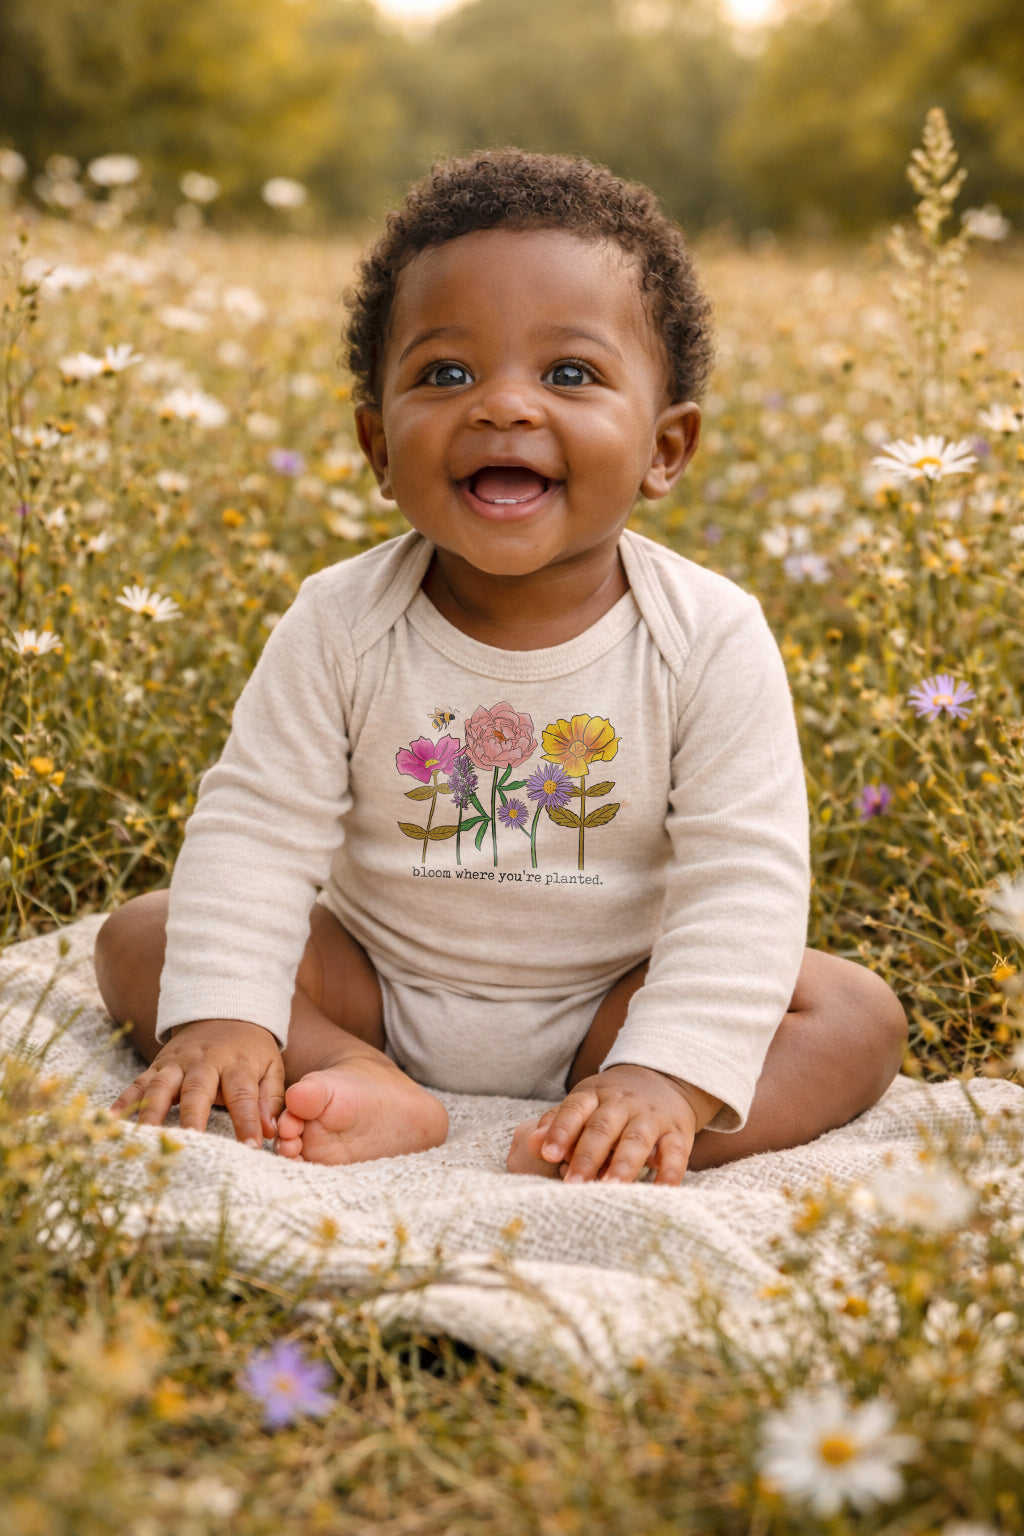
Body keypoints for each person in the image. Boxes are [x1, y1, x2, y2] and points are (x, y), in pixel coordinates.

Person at [96, 150, 906, 1185]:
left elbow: (740, 883)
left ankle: (611, 1120)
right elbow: (257, 829)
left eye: (569, 374)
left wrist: (666, 1071)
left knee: (853, 1015)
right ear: (377, 444)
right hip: (372, 987)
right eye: (446, 373)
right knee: (151, 938)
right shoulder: (339, 619)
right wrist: (224, 1017)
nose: (504, 407)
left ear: (667, 447)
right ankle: (356, 1075)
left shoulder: (707, 633)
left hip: (612, 1006)